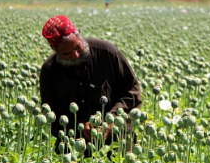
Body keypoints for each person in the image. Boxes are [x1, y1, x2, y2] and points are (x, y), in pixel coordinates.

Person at [40, 15, 142, 155]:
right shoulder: (50, 71)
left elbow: (132, 91)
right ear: (56, 51)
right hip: (74, 149)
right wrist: (79, 127)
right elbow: (50, 115)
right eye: (67, 53)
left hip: (118, 142)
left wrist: (111, 122)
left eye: (77, 47)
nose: (75, 55)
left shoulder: (108, 54)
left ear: (79, 34)